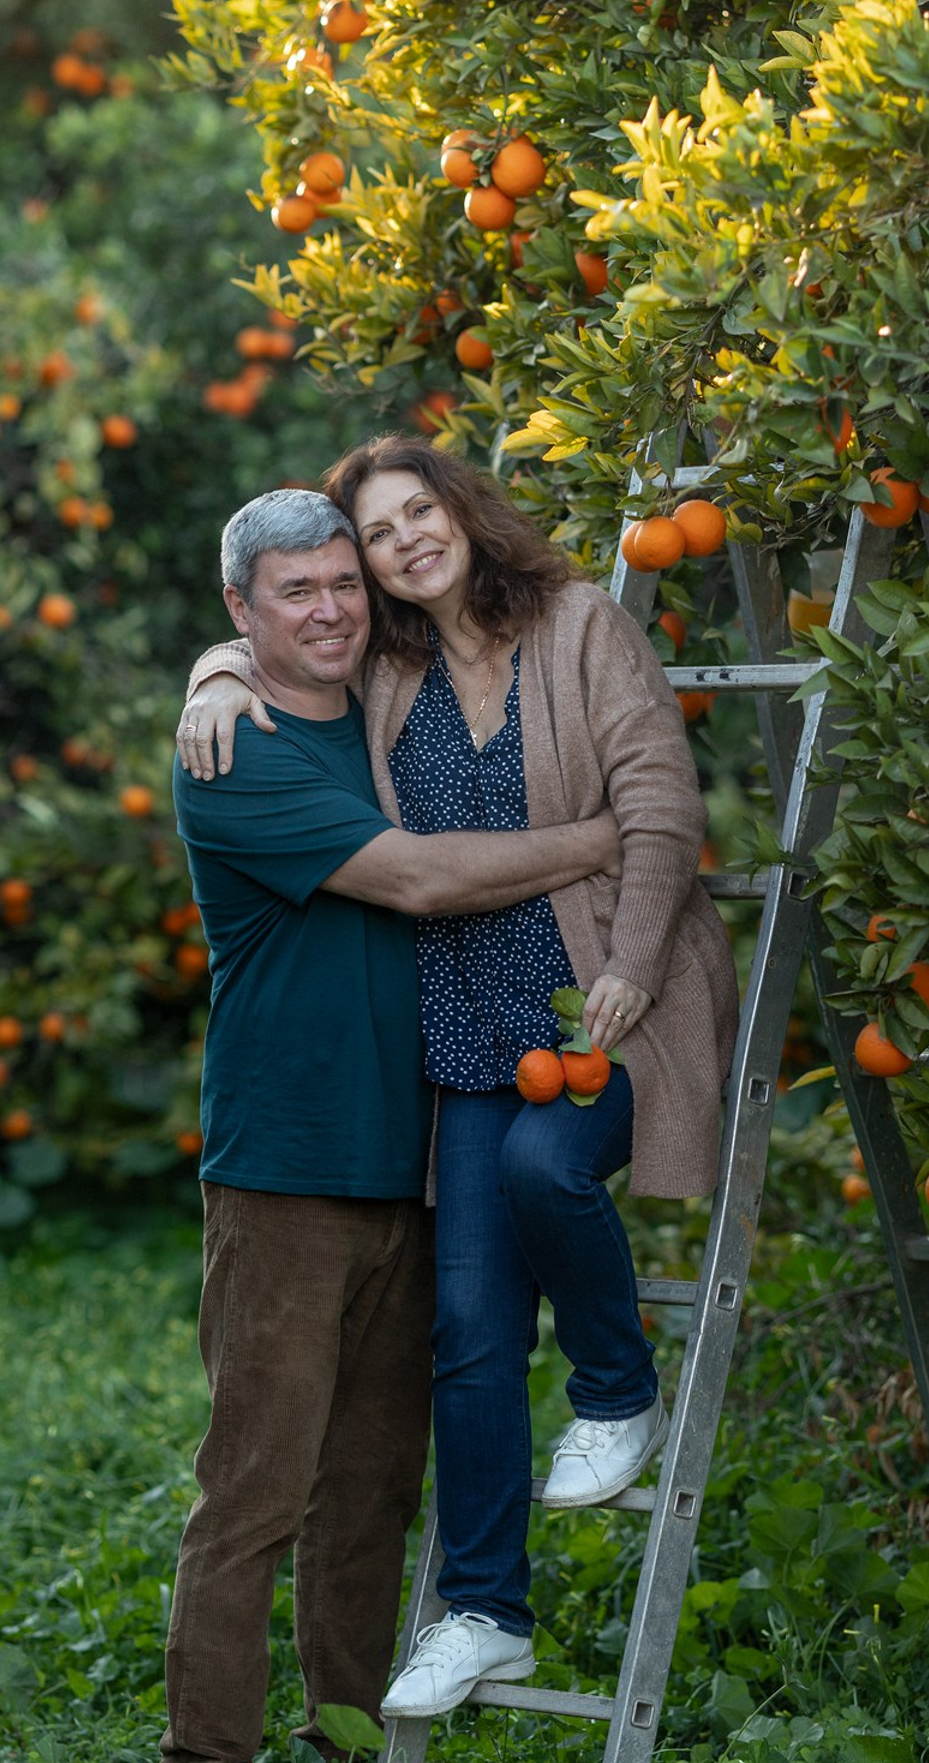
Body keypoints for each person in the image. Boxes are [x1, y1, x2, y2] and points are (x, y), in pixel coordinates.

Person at [178, 436, 737, 1722]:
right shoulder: (320, 701)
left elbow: (662, 801)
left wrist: (637, 952)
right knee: (380, 1397)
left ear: (460, 514)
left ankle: (609, 1398)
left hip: (543, 1043)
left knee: (534, 1201)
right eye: (373, 540)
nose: (379, 565)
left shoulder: (538, 632)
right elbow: (285, 659)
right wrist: (209, 681)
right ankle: (444, 1630)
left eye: (409, 520)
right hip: (399, 1088)